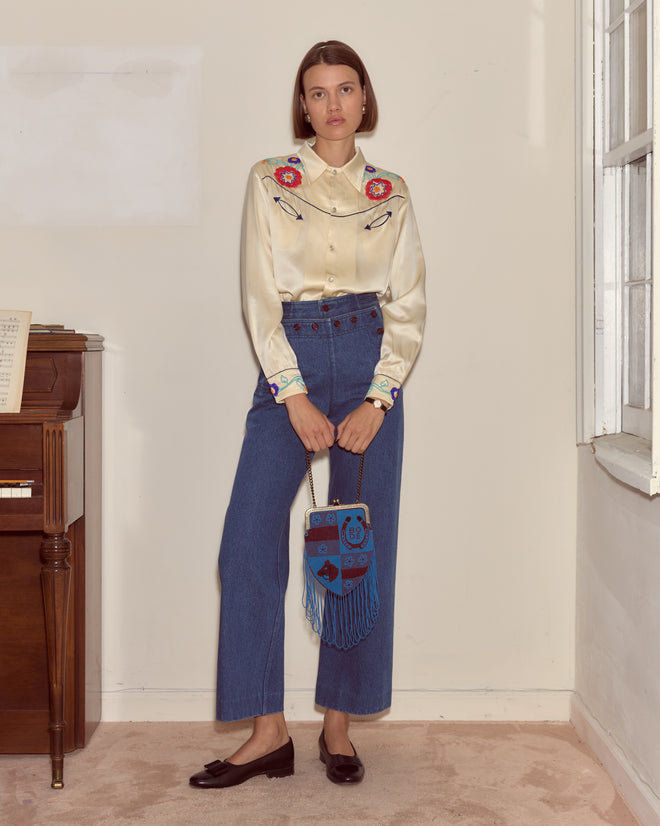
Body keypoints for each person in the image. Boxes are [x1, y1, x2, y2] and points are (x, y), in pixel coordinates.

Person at [190, 39, 425, 789]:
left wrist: (378, 399)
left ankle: (338, 726)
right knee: (247, 543)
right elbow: (260, 294)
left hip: (366, 358)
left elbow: (410, 306)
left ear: (364, 100)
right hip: (288, 358)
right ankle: (266, 733)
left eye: (345, 89)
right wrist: (290, 394)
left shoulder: (391, 192)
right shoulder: (270, 181)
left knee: (359, 549)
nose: (332, 105)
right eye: (317, 92)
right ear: (303, 104)